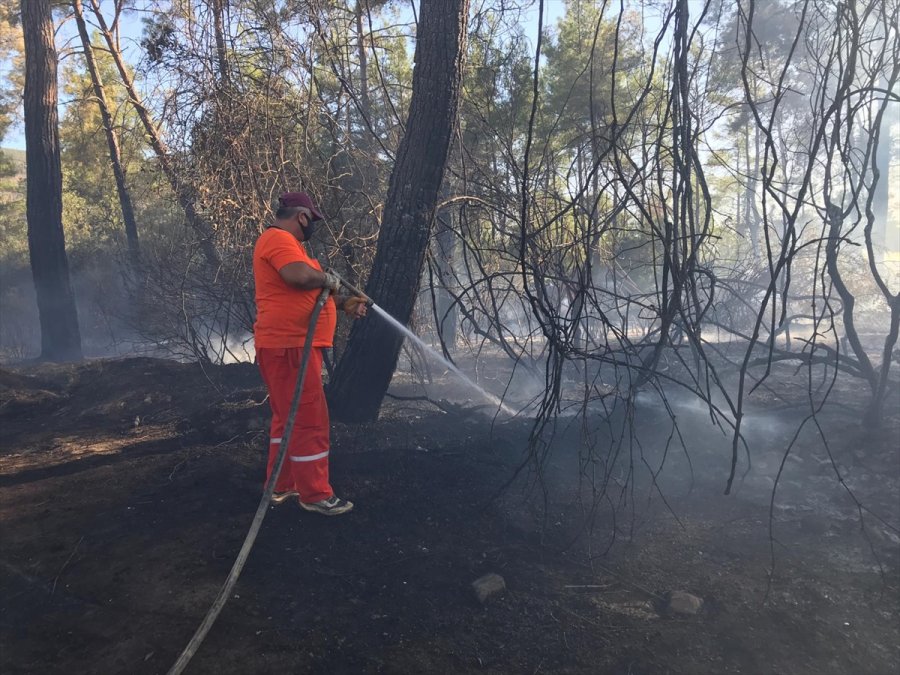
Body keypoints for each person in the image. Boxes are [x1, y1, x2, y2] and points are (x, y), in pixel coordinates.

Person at [252, 191, 367, 515]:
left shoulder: (285, 244)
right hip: (290, 347)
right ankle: (315, 494)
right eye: (312, 220)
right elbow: (299, 277)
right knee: (310, 419)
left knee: (287, 418)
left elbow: (304, 296)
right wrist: (326, 278)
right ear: (302, 216)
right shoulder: (278, 240)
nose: (312, 226)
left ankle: (281, 484)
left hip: (289, 346)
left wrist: (343, 303)